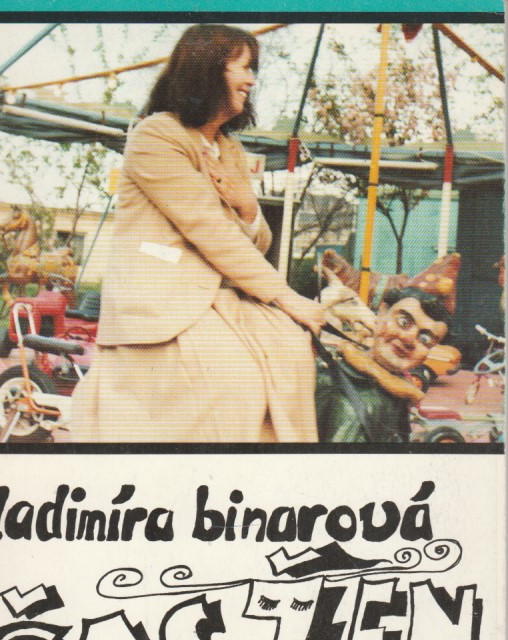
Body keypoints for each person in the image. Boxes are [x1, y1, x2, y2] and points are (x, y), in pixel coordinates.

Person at [72, 24, 323, 443]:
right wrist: (286, 296)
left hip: (217, 299)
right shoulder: (156, 135)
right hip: (162, 301)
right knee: (238, 381)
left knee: (294, 355)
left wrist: (248, 207)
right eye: (243, 67)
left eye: (253, 70)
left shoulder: (230, 149)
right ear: (206, 70)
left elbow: (253, 242)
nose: (251, 81)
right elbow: (209, 229)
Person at [316, 287, 451, 443]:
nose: (408, 339)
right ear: (382, 313)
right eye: (403, 322)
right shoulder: (330, 381)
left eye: (425, 339)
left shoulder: (399, 391)